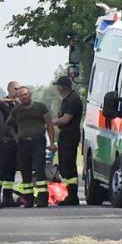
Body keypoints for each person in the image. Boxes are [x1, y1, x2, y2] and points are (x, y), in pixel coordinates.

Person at [6, 84, 56, 207]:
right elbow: (8, 124)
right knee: (25, 171)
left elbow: (49, 124)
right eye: (21, 95)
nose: (23, 97)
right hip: (23, 143)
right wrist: (16, 137)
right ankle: (28, 199)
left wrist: (52, 142)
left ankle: (42, 199)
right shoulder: (17, 110)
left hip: (38, 141)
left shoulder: (40, 107)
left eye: (25, 95)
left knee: (40, 169)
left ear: (30, 95)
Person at [50, 68, 83, 207]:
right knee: (64, 165)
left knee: (68, 165)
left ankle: (72, 196)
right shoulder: (67, 99)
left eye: (58, 86)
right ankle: (70, 195)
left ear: (62, 87)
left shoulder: (73, 100)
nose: (57, 88)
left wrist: (49, 122)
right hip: (66, 135)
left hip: (70, 135)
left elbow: (65, 119)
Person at [0, 84, 21, 205]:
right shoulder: (2, 104)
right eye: (15, 89)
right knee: (2, 170)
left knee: (11, 170)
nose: (17, 91)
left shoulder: (19, 104)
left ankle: (8, 197)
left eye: (19, 89)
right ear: (9, 89)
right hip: (4, 141)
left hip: (15, 141)